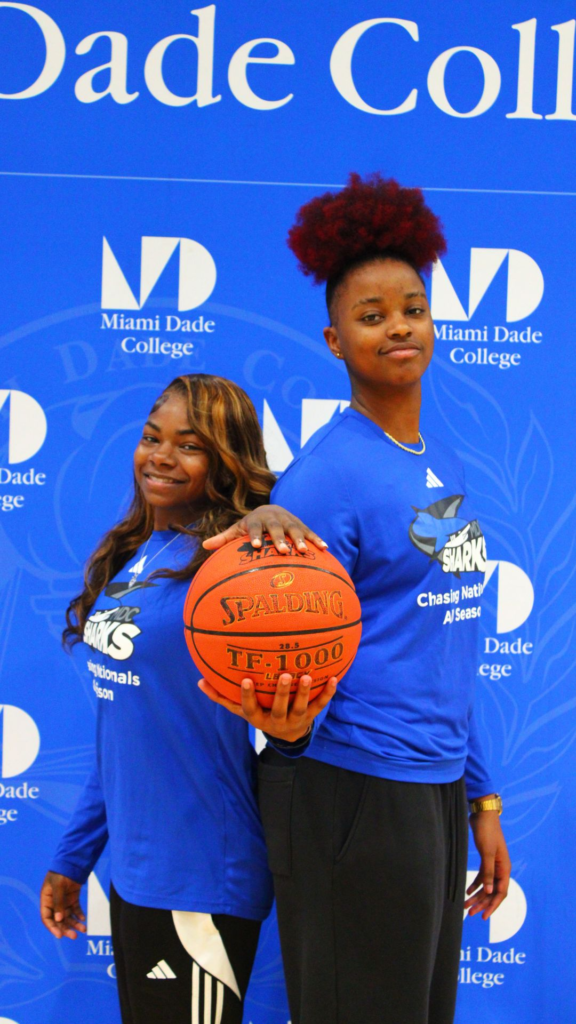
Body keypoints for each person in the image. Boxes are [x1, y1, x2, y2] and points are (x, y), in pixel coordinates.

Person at [202, 175, 512, 1024]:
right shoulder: (326, 473)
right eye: (372, 316)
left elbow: (446, 646)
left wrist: (480, 796)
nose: (398, 326)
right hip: (351, 786)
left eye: (412, 308)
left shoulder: (438, 457)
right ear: (335, 341)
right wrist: (288, 725)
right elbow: (272, 646)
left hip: (434, 787)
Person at [40, 373, 337, 1024]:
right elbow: (124, 732)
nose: (162, 456)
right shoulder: (139, 554)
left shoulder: (240, 565)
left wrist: (263, 518)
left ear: (227, 461)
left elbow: (293, 723)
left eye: (190, 445)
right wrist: (74, 856)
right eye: (153, 438)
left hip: (201, 875)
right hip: (136, 875)